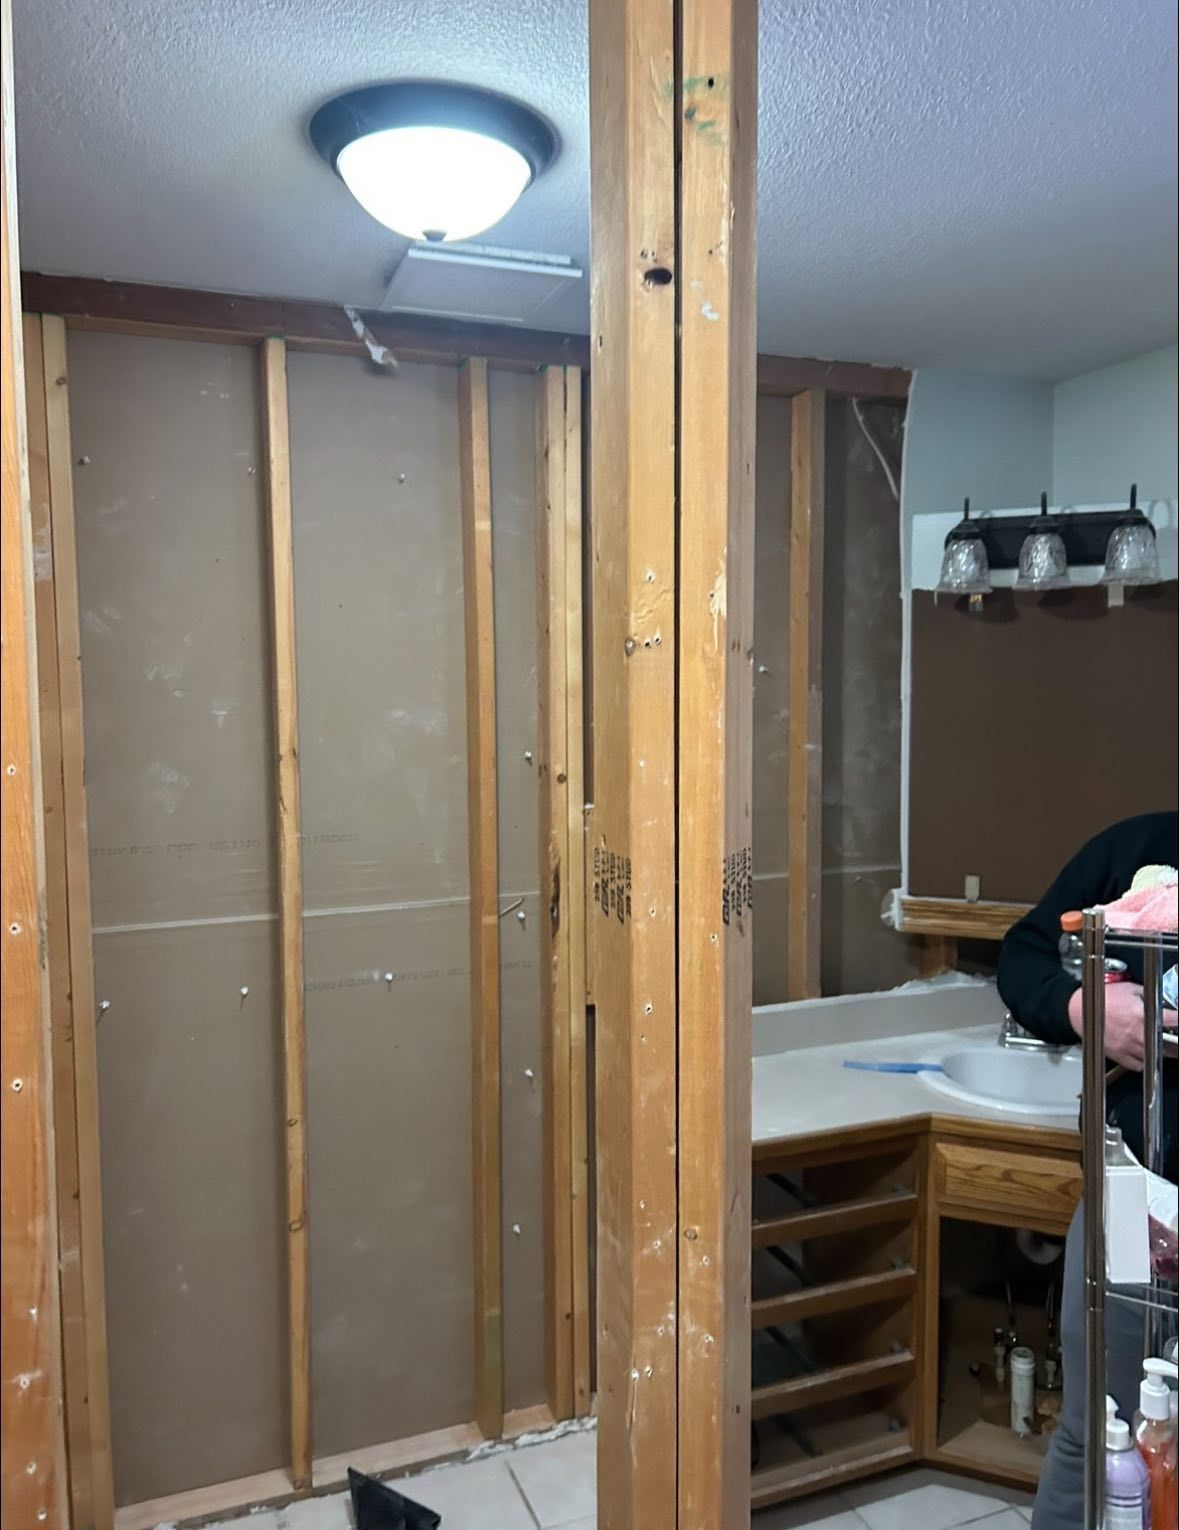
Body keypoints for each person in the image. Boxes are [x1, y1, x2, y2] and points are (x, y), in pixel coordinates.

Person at [996, 810, 1177, 1530]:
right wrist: (1085, 1006)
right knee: (1099, 1431)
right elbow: (1024, 954)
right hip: (1136, 1197)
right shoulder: (1139, 853)